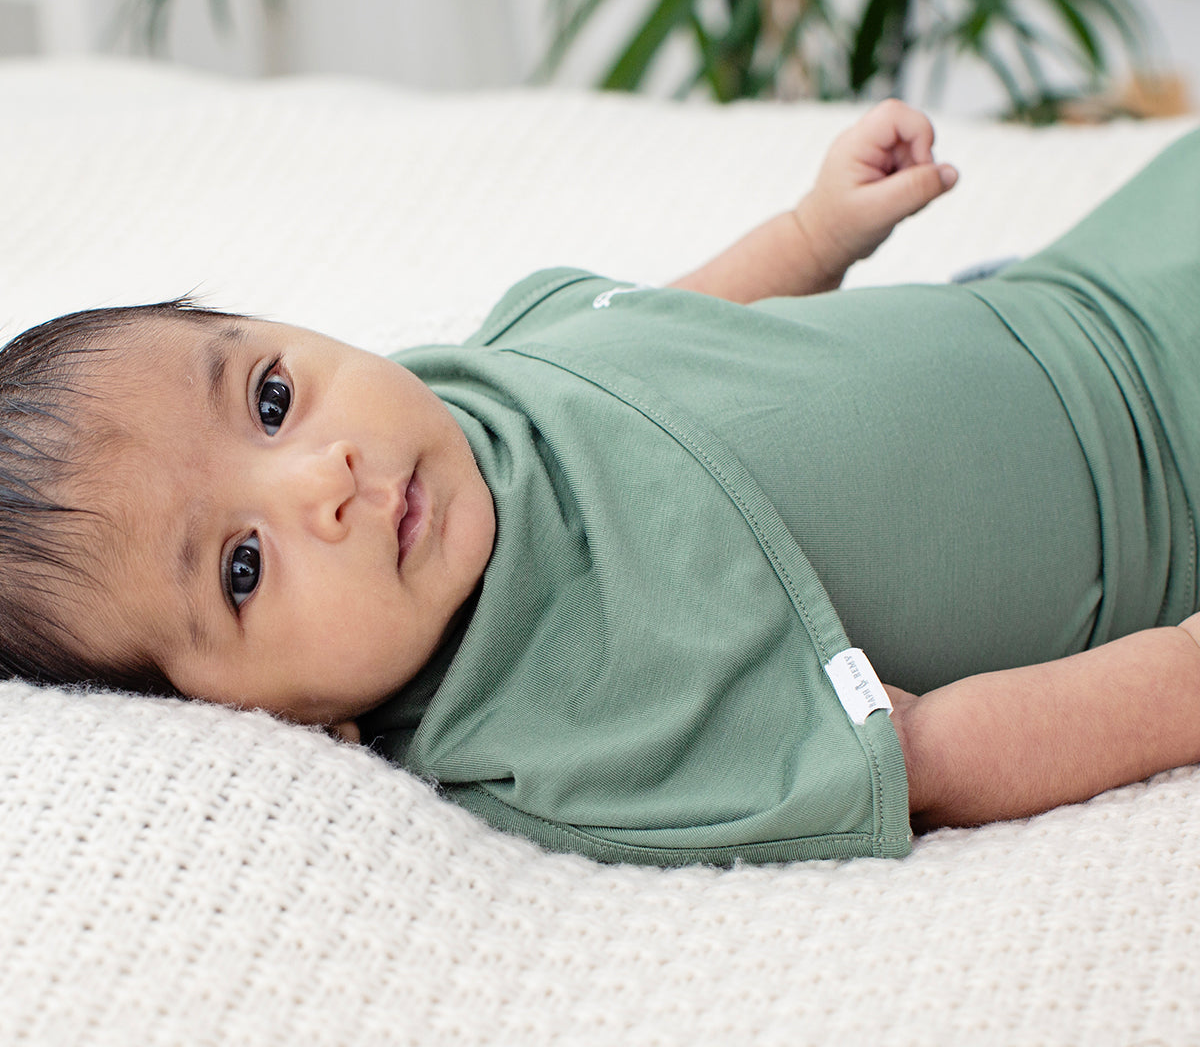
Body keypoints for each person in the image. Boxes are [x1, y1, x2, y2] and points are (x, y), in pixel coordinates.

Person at [2, 99, 1198, 866]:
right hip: (1165, 491)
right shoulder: (562, 723)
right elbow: (928, 752)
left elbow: (651, 329)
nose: (327, 479)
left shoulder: (457, 401)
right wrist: (1179, 684)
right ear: (268, 719)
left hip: (1066, 292)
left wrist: (814, 232)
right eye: (242, 567)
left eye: (271, 399)